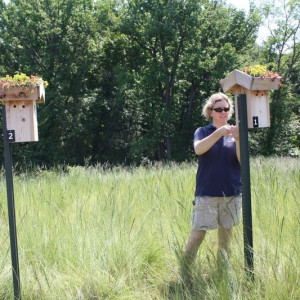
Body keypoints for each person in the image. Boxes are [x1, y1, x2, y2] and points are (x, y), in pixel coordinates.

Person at [181, 92, 242, 282]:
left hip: (231, 193)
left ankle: (221, 275)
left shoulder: (236, 132)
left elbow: (242, 161)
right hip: (207, 193)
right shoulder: (203, 131)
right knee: (197, 235)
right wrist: (218, 133)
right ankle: (184, 275)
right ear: (210, 111)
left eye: (226, 108)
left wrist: (239, 140)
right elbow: (198, 149)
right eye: (219, 109)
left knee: (225, 239)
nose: (223, 112)